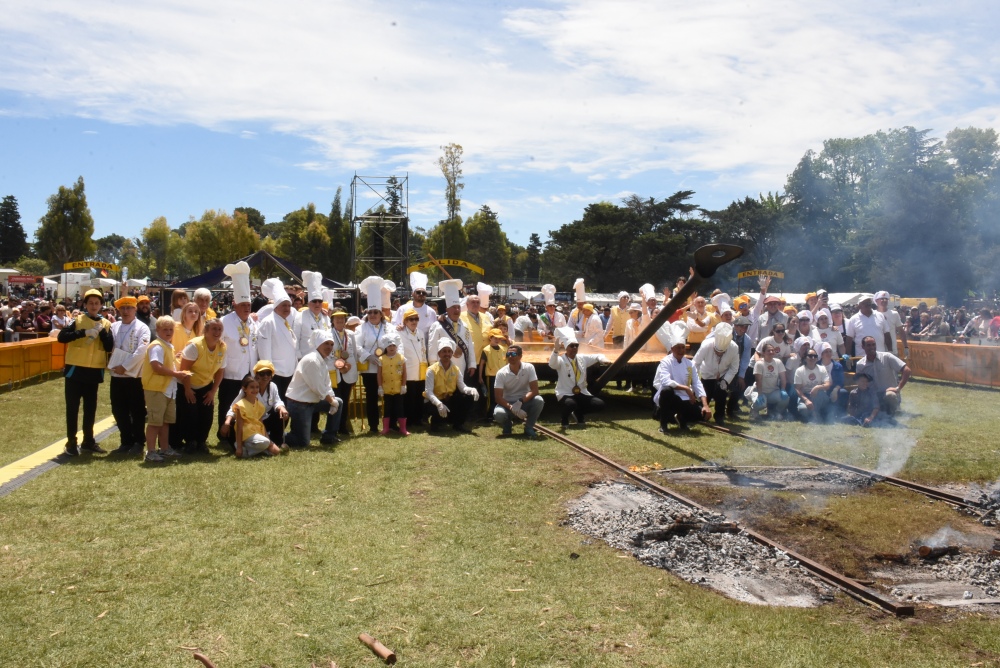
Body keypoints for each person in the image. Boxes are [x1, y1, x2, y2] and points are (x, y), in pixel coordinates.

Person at [57, 289, 114, 456]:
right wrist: (83, 333)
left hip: (94, 370)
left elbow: (109, 346)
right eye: (91, 303)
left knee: (90, 408)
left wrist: (102, 333)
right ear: (85, 304)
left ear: (101, 305)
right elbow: (62, 337)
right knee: (72, 408)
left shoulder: (107, 323)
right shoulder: (77, 320)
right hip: (75, 370)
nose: (94, 306)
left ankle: (88, 440)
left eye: (97, 303)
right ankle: (71, 442)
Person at [140, 316, 192, 462]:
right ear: (158, 330)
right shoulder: (157, 345)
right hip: (157, 389)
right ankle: (150, 452)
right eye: (165, 329)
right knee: (155, 422)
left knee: (165, 422)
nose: (169, 332)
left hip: (168, 389)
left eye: (171, 329)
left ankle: (164, 449)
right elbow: (156, 366)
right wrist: (176, 374)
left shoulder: (167, 345)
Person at [218, 261, 258, 448]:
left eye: (248, 304)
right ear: (234, 304)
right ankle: (224, 437)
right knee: (227, 405)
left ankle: (241, 435)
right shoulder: (224, 321)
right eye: (242, 304)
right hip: (231, 373)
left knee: (245, 407)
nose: (246, 308)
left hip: (249, 374)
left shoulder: (253, 322)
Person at [284, 330, 342, 448]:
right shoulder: (312, 360)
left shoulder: (321, 360)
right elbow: (318, 388)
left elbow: (327, 384)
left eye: (331, 344)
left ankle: (329, 437)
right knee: (302, 442)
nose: (329, 347)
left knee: (339, 402)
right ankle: (275, 435)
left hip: (312, 401)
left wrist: (333, 401)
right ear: (318, 344)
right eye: (326, 343)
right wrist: (331, 402)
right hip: (299, 403)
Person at [107, 296, 151, 456]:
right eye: (123, 308)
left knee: (137, 410)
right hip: (116, 377)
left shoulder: (142, 328)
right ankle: (125, 440)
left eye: (129, 308)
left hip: (134, 376)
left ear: (135, 309)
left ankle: (139, 441)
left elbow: (142, 350)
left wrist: (124, 367)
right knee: (118, 410)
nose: (126, 311)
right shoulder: (114, 326)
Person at [177, 318, 227, 453]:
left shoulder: (222, 347)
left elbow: (220, 372)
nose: (217, 332)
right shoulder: (195, 346)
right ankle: (190, 442)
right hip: (187, 384)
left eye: (219, 329)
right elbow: (184, 370)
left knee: (206, 415)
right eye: (214, 329)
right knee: (190, 415)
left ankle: (201, 442)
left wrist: (212, 391)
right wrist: (187, 389)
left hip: (206, 385)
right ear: (206, 331)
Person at [653, 323, 711, 431]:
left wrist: (705, 405)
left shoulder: (689, 363)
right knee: (666, 390)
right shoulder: (666, 362)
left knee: (702, 415)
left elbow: (697, 383)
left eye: (683, 347)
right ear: (672, 349)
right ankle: (663, 425)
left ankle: (681, 418)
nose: (680, 350)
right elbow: (665, 381)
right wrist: (686, 388)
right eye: (677, 348)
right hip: (671, 398)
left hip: (685, 398)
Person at [549, 328, 608, 427]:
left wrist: (603, 359)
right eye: (572, 346)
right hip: (566, 392)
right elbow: (552, 364)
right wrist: (555, 350)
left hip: (581, 392)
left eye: (576, 346)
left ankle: (579, 413)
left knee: (599, 405)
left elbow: (598, 355)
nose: (574, 348)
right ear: (566, 348)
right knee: (570, 404)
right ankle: (564, 419)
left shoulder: (581, 358)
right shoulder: (560, 359)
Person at [221, 361, 288, 448]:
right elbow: (234, 406)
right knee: (234, 434)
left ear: (272, 375)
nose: (265, 376)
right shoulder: (248, 388)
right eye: (262, 373)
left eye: (268, 373)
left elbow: (277, 401)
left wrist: (282, 408)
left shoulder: (273, 386)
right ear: (256, 375)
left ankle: (276, 441)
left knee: (282, 415)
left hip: (263, 421)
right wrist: (227, 422)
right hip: (248, 423)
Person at [427, 278, 477, 383]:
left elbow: (470, 345)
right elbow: (432, 347)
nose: (457, 310)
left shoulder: (465, 326)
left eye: (458, 307)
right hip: (442, 368)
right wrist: (433, 366)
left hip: (462, 366)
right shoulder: (438, 325)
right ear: (447, 310)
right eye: (453, 307)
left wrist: (472, 364)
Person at [424, 338, 479, 433]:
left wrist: (471, 390)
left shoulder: (456, 369)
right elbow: (428, 391)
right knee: (436, 415)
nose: (447, 354)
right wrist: (439, 404)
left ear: (452, 353)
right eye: (444, 351)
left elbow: (462, 387)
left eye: (449, 351)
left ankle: (458, 424)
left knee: (467, 397)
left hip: (449, 398)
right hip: (435, 401)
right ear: (439, 354)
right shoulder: (431, 370)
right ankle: (436, 423)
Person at [357, 279, 390, 434]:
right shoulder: (361, 327)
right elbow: (356, 345)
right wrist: (368, 356)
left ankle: (390, 424)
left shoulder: (388, 327)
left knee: (389, 396)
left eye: (375, 312)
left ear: (381, 313)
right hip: (369, 369)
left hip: (386, 367)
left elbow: (395, 342)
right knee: (371, 398)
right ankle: (373, 426)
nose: (372, 315)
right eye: (369, 312)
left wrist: (386, 354)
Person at [256, 277, 298, 399]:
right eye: (283, 305)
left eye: (289, 306)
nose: (287, 309)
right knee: (274, 403)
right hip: (276, 373)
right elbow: (264, 350)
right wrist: (267, 372)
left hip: (288, 370)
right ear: (275, 307)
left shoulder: (285, 321)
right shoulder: (268, 322)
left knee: (285, 403)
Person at [693, 322, 740, 425]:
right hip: (707, 374)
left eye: (722, 353)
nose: (720, 354)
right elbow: (695, 363)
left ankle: (719, 416)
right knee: (705, 396)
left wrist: (725, 380)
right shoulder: (706, 344)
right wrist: (694, 381)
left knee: (721, 394)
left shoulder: (734, 347)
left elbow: (734, 368)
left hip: (723, 374)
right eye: (717, 352)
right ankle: (701, 413)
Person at [493, 345, 544, 438]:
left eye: (513, 354)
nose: (510, 356)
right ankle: (507, 424)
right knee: (498, 414)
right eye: (508, 354)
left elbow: (535, 390)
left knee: (539, 400)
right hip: (507, 404)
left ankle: (529, 427)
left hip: (524, 401)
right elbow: (498, 397)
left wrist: (520, 401)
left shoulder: (529, 368)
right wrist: (512, 407)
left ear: (520, 356)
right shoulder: (501, 373)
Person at [854, 336, 911, 416]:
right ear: (863, 347)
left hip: (888, 393)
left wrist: (898, 388)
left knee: (890, 395)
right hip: (872, 396)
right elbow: (859, 383)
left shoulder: (887, 357)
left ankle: (894, 411)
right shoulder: (860, 364)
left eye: (873, 344)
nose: (872, 347)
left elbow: (907, 370)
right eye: (869, 345)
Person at [232, 375, 284, 458]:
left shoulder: (259, 405)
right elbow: (239, 426)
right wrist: (239, 446)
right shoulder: (240, 405)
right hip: (247, 434)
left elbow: (261, 424)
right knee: (265, 443)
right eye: (252, 387)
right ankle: (243, 447)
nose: (255, 390)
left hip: (257, 433)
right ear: (244, 389)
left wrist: (269, 441)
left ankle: (251, 451)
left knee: (276, 451)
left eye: (257, 387)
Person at [329, 308, 359, 438]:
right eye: (337, 318)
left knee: (346, 400)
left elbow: (355, 353)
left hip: (348, 370)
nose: (340, 321)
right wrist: (337, 363)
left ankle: (343, 426)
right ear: (332, 321)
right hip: (335, 370)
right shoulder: (328, 333)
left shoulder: (350, 334)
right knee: (336, 400)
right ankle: (334, 427)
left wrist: (350, 365)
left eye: (342, 318)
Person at [400, 308, 428, 428]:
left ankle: (418, 419)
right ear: (405, 321)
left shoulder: (420, 332)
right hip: (408, 369)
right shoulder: (400, 333)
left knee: (420, 395)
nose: (414, 321)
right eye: (411, 319)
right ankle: (409, 420)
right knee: (409, 397)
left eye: (416, 319)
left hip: (421, 368)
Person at [377, 332, 408, 435]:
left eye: (394, 345)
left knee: (400, 408)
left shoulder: (401, 358)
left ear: (396, 347)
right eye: (389, 345)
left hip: (398, 388)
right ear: (386, 347)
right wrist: (380, 387)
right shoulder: (381, 359)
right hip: (386, 388)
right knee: (387, 408)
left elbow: (404, 373)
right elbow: (379, 374)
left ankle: (403, 428)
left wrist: (403, 385)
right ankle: (386, 428)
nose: (392, 347)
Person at [295, 271, 330, 359]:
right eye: (314, 301)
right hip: (306, 359)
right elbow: (295, 339)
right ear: (309, 303)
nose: (317, 304)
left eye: (320, 301)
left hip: (324, 359)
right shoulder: (299, 317)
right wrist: (299, 357)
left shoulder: (326, 317)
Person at [750, 343, 789, 420]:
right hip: (760, 391)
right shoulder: (759, 364)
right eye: (768, 351)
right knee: (761, 403)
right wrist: (760, 394)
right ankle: (754, 410)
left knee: (785, 398)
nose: (771, 352)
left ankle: (775, 412)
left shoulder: (778, 362)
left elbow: (783, 378)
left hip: (773, 391)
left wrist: (783, 389)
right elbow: (758, 380)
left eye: (772, 350)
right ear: (763, 353)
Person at [794, 348, 831, 422]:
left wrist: (817, 387)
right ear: (805, 358)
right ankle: (813, 415)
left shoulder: (822, 368)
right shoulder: (799, 370)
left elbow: (827, 384)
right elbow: (797, 389)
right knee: (803, 409)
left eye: (815, 356)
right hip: (805, 395)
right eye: (810, 356)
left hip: (819, 395)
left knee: (819, 395)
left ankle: (815, 415)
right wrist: (806, 400)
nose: (813, 358)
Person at [479, 328, 509, 421]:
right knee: (491, 396)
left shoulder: (504, 349)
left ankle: (502, 412)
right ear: (490, 338)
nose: (497, 340)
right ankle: (489, 414)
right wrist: (480, 376)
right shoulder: (486, 350)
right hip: (491, 376)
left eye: (499, 338)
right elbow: (482, 363)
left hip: (503, 376)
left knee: (502, 395)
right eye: (495, 338)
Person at [874, 291, 908, 358]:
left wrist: (906, 347)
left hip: (892, 350)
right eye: (882, 299)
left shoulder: (894, 314)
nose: (884, 301)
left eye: (886, 299)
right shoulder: (873, 315)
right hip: (878, 350)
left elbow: (901, 331)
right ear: (876, 301)